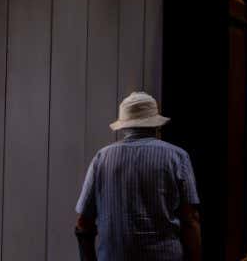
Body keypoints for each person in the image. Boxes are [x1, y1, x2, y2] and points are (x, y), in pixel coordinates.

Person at [74, 91, 201, 261]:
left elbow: (84, 223)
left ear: (124, 125)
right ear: (156, 124)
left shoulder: (102, 158)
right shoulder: (177, 157)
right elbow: (190, 220)